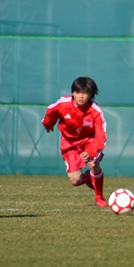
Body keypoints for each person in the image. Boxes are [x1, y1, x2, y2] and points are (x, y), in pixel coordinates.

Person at [42, 77, 108, 207]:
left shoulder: (95, 111)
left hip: (90, 139)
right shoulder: (63, 104)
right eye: (78, 92)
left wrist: (90, 152)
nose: (81, 96)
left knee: (94, 163)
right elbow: (51, 111)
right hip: (69, 142)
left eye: (85, 93)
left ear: (91, 94)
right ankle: (90, 178)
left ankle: (99, 196)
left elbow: (101, 136)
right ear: (73, 92)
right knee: (75, 180)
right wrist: (48, 124)